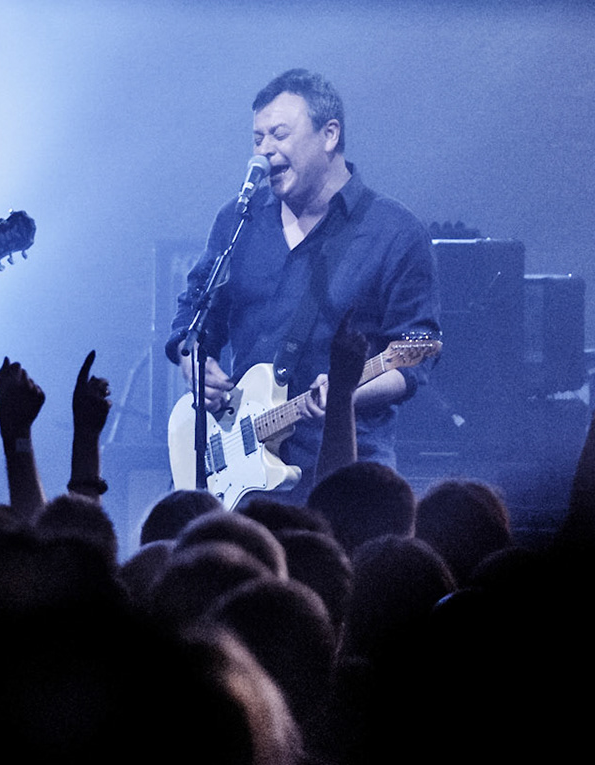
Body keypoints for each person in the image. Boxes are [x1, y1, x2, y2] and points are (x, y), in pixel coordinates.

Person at [165, 68, 440, 500]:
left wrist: (346, 393)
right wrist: (195, 363)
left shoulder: (394, 232)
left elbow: (414, 355)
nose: (264, 151)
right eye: (257, 139)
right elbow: (194, 316)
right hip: (239, 469)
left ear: (329, 134)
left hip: (345, 471)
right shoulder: (240, 219)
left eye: (279, 134)